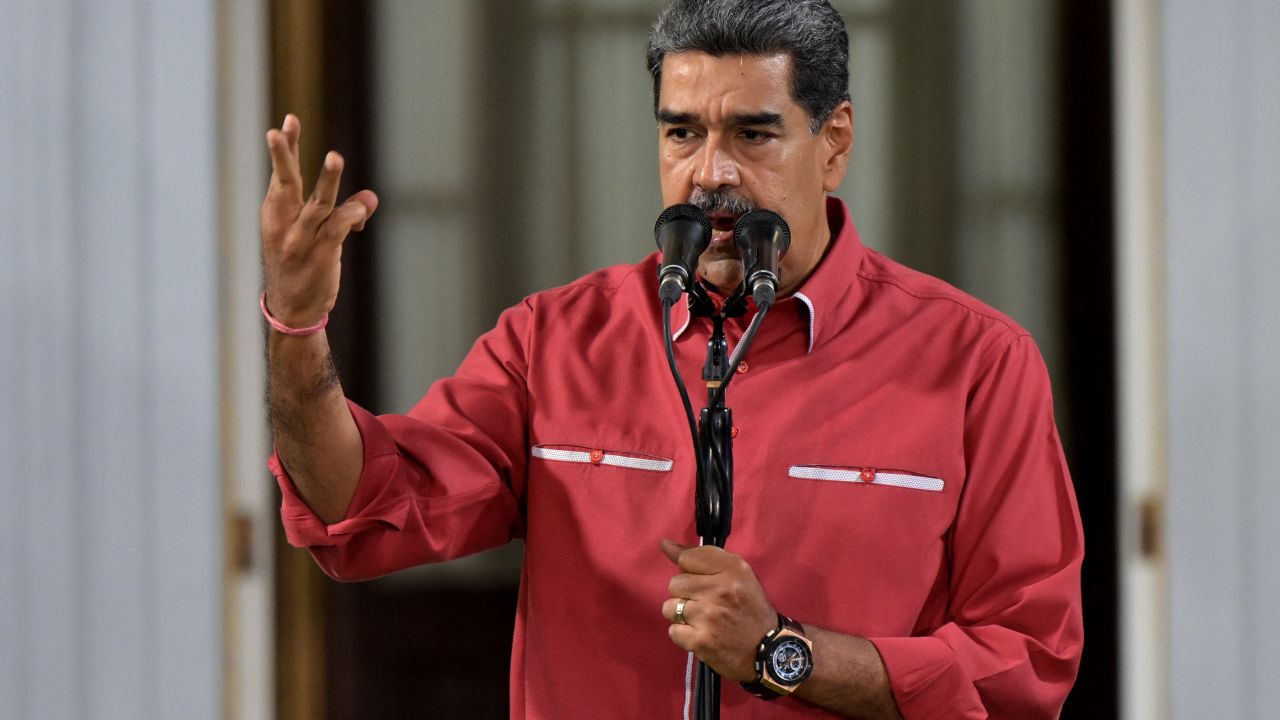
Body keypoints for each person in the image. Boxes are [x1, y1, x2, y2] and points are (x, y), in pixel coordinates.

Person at [260, 1, 1083, 717]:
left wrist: (783, 654)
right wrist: (298, 329)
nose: (709, 173)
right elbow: (359, 507)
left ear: (833, 142)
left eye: (754, 134)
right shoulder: (552, 342)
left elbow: (1026, 663)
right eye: (682, 132)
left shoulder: (979, 363)